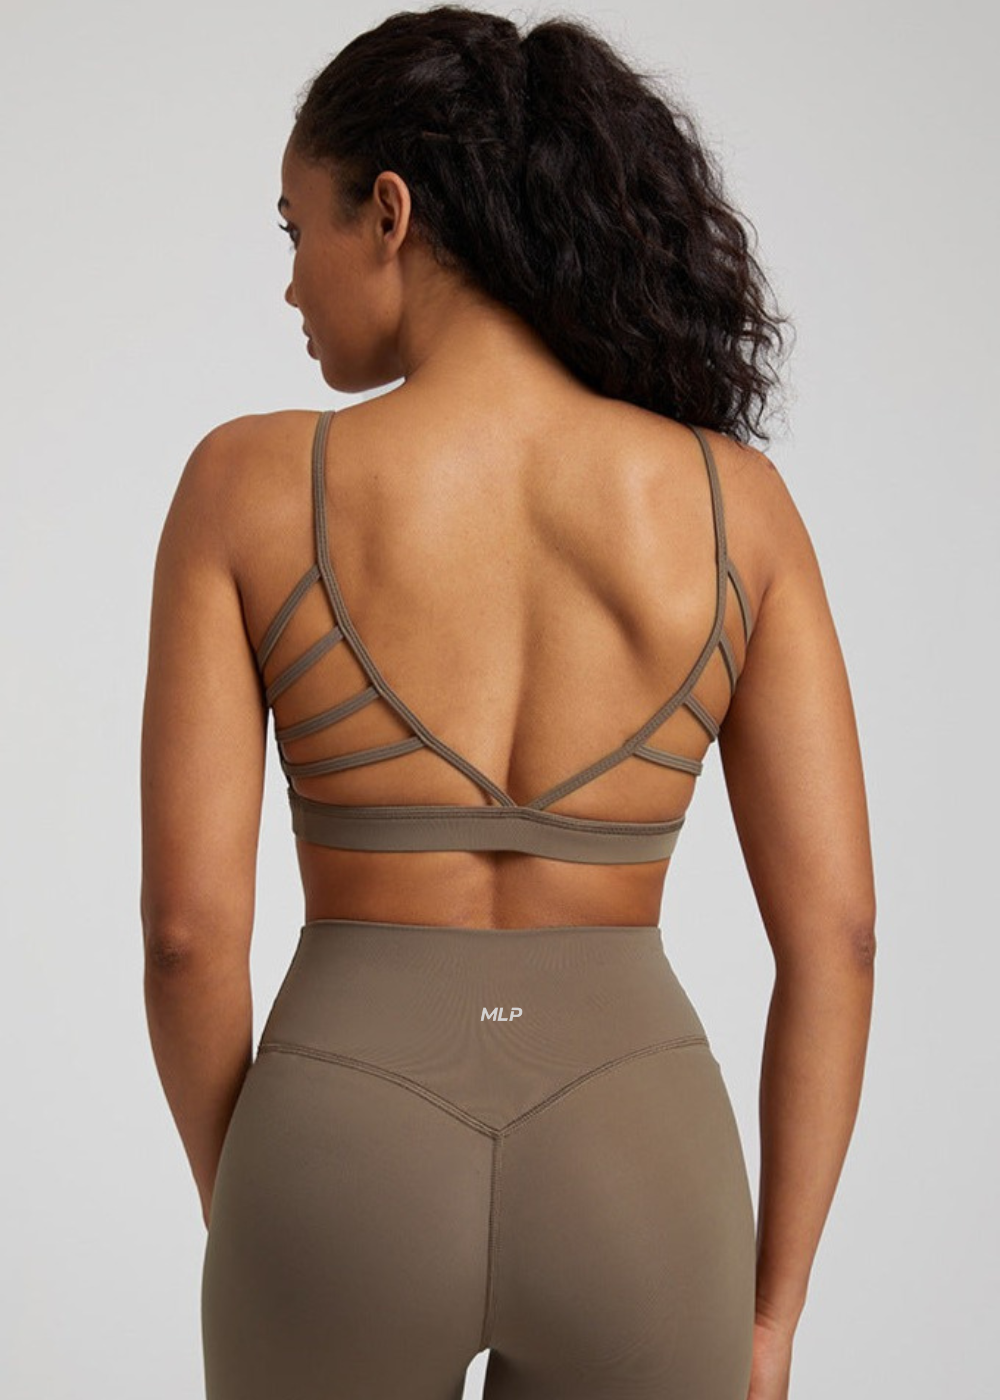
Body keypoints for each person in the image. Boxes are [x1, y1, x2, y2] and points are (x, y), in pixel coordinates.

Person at [139, 7, 876, 1399]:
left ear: (391, 213)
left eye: (295, 230)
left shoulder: (247, 485)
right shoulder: (738, 507)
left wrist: (268, 1211)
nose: (289, 286)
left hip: (336, 1146)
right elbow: (839, 940)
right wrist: (772, 1318)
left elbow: (186, 940)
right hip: (642, 1161)